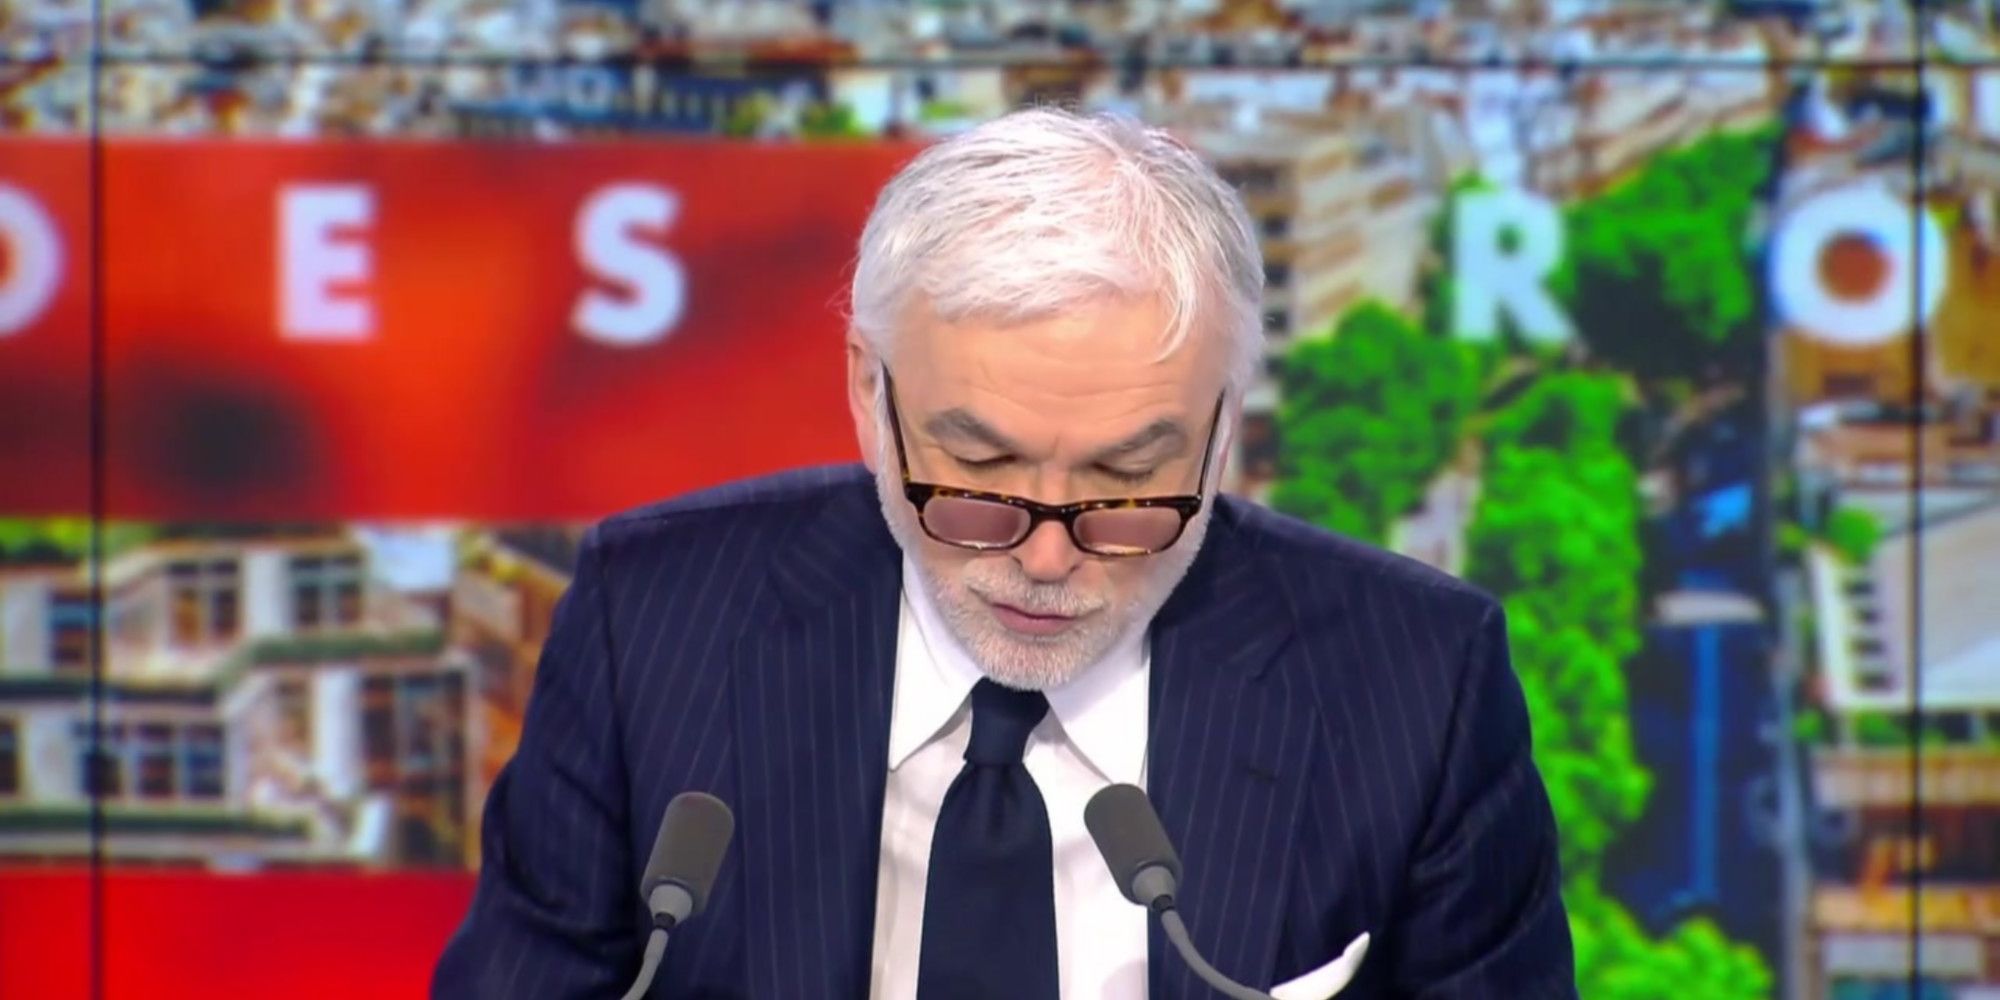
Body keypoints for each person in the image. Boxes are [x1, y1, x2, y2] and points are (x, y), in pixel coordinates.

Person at [432, 107, 1575, 999]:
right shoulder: (653, 622)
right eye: (977, 475)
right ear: (867, 392)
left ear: (1225, 429)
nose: (1045, 555)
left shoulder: (1416, 682)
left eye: (1126, 482)